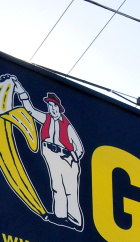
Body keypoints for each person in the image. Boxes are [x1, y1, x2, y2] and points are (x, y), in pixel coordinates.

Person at [10, 76, 85, 229]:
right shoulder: (46, 118)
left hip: (67, 160)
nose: (52, 108)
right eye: (50, 106)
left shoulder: (67, 125)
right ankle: (61, 217)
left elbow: (79, 148)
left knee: (70, 191)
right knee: (57, 187)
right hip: (52, 157)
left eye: (54, 106)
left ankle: (76, 222)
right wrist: (20, 90)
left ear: (59, 108)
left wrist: (71, 156)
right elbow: (30, 110)